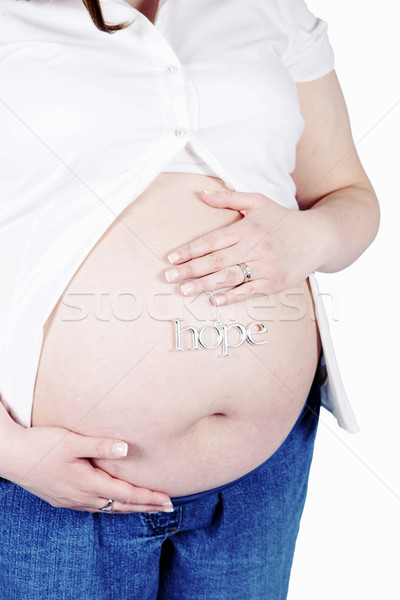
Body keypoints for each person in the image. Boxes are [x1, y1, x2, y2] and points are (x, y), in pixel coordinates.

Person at [0, 0, 380, 598]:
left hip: (262, 478)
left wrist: (311, 235)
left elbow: (349, 194)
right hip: (47, 480)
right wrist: (6, 451)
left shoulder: (270, 8)